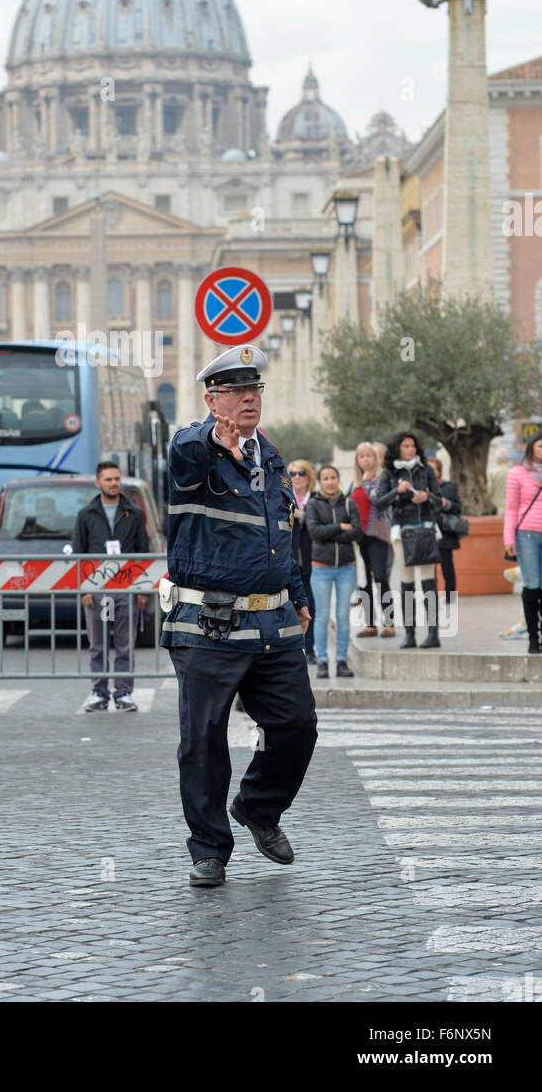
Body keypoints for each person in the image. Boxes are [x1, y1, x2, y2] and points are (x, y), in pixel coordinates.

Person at [160, 344, 315, 888]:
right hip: (208, 625)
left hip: (272, 624)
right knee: (204, 737)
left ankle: (257, 807)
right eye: (235, 391)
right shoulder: (194, 449)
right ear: (213, 399)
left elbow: (281, 535)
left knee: (296, 725)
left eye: (255, 390)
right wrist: (211, 438)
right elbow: (185, 452)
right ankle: (209, 849)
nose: (249, 399)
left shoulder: (268, 455)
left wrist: (298, 594)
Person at [73, 461, 150, 712]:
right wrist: (84, 589)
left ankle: (124, 693)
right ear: (98, 483)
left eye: (117, 479)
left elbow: (143, 553)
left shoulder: (134, 513)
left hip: (126, 589)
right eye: (108, 479)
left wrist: (141, 590)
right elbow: (79, 554)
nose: (113, 483)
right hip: (96, 590)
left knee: (125, 643)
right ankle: (99, 692)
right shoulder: (86, 514)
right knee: (98, 644)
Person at [374, 431, 444, 650]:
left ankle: (433, 634)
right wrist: (397, 490)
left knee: (428, 582)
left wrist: (427, 497)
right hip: (401, 533)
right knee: (406, 583)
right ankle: (410, 634)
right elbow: (380, 503)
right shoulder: (389, 472)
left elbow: (439, 500)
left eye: (413, 445)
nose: (410, 449)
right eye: (405, 446)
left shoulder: (426, 470)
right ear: (398, 448)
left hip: (424, 530)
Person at [304, 464, 363, 678]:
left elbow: (357, 532)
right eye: (326, 478)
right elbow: (315, 532)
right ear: (320, 481)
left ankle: (341, 660)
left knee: (343, 616)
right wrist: (340, 527)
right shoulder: (313, 504)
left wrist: (330, 533)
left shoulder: (349, 503)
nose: (330, 481)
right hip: (321, 568)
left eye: (333, 477)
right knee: (321, 616)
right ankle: (322, 660)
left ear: (338, 479)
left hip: (347, 567)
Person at [504, 432, 542, 654]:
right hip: (527, 534)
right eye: (540, 446)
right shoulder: (517, 473)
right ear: (531, 449)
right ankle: (532, 638)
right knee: (532, 584)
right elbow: (510, 507)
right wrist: (508, 539)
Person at [351, 442, 392, 638]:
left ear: (375, 459)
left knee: (381, 577)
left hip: (378, 535)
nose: (365, 459)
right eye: (362, 456)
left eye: (369, 456)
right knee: (364, 581)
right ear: (357, 460)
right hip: (360, 537)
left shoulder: (381, 478)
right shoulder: (355, 482)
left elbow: (379, 500)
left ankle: (389, 623)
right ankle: (370, 625)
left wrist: (367, 482)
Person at [288, 459, 317, 663]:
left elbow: (319, 520)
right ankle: (292, 646)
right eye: (293, 473)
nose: (297, 477)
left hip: (311, 557)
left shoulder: (315, 498)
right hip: (288, 558)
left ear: (308, 477)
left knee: (310, 604)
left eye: (301, 473)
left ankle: (310, 647)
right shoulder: (284, 497)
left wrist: (302, 515)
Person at [428, 456, 462, 620]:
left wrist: (445, 503)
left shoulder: (447, 487)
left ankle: (450, 597)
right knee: (430, 568)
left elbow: (457, 508)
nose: (431, 472)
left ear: (439, 470)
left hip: (445, 533)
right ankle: (431, 597)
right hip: (428, 533)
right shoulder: (422, 488)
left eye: (434, 468)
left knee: (447, 567)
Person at [487, 448, 512, 515]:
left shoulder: (492, 473)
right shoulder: (513, 472)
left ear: (497, 460)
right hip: (511, 508)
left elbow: (489, 491)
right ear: (508, 460)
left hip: (496, 508)